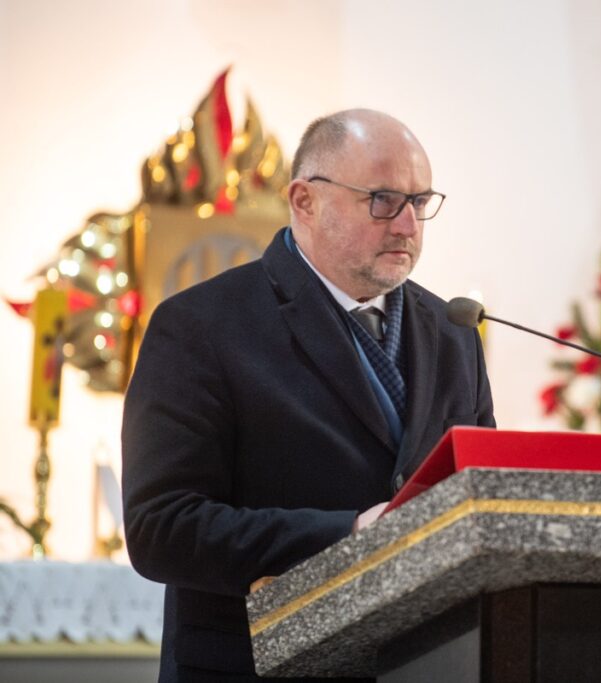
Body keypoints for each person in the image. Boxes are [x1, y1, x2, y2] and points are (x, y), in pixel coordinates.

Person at [122, 109, 496, 682]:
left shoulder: (452, 332)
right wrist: (346, 534)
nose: (407, 226)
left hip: (422, 663)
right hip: (252, 665)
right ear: (304, 201)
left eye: (420, 202)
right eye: (382, 200)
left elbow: (480, 491)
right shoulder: (200, 326)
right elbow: (161, 529)